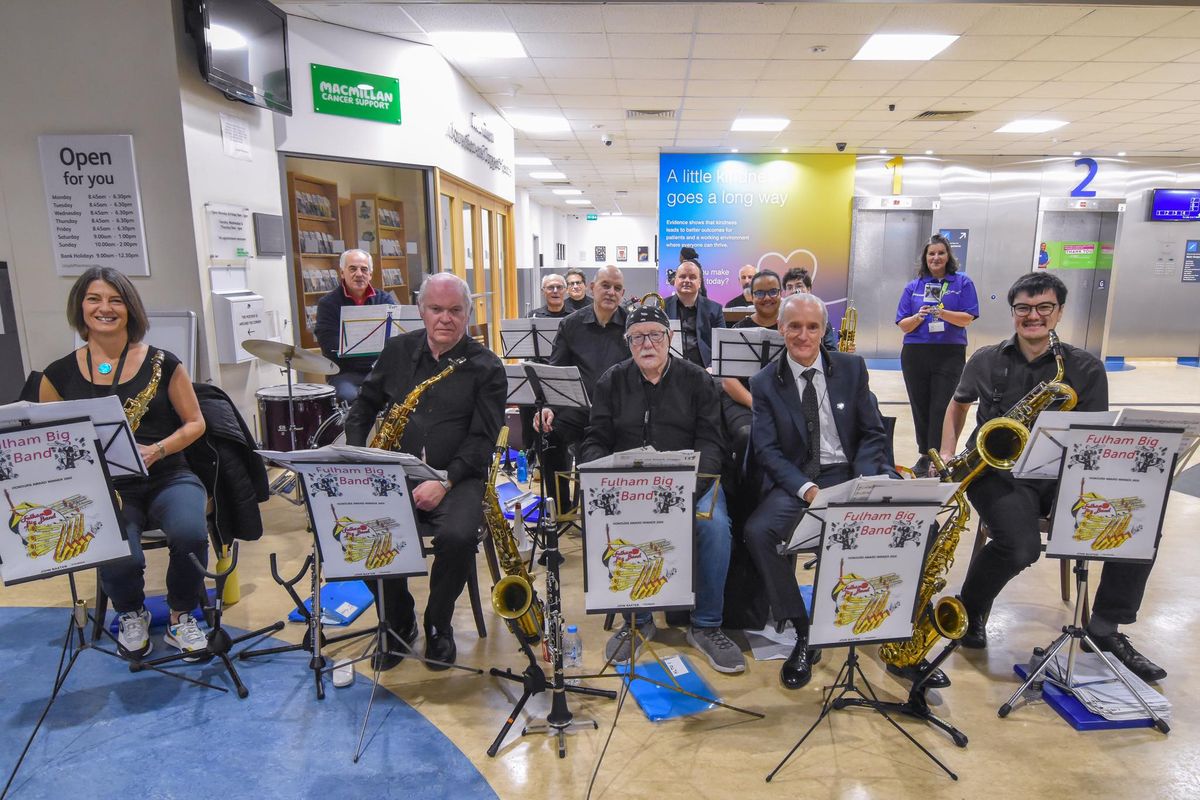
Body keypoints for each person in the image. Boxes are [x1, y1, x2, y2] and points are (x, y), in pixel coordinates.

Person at [940, 272, 1166, 682]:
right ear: (1013, 312)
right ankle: (971, 609)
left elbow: (1096, 435)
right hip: (998, 474)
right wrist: (947, 451)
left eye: (1044, 307)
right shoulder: (986, 359)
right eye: (1024, 308)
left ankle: (1105, 627)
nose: (1033, 316)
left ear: (1059, 311)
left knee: (1138, 521)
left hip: (1065, 476)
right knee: (1020, 544)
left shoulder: (1085, 368)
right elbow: (958, 405)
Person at [41, 267, 209, 660]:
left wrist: (159, 449)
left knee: (189, 532)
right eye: (94, 299)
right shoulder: (58, 374)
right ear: (80, 308)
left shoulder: (163, 363)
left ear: (130, 308)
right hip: (105, 486)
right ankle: (131, 613)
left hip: (168, 473)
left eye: (115, 300)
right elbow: (52, 440)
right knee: (117, 549)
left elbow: (196, 422)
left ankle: (182, 615)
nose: (105, 308)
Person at [344, 272, 506, 669]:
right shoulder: (397, 351)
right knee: (354, 531)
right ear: (421, 311)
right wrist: (356, 459)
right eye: (436, 309)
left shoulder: (487, 366)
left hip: (459, 474)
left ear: (468, 312)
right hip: (395, 470)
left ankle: (438, 623)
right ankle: (398, 618)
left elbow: (483, 440)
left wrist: (445, 481)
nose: (445, 318)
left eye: (455, 310)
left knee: (457, 535)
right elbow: (363, 405)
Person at [743, 293, 896, 689]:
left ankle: (895, 627)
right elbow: (767, 451)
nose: (803, 335)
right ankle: (802, 628)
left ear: (824, 330)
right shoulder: (764, 382)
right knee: (759, 532)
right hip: (800, 480)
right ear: (781, 329)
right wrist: (807, 489)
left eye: (813, 326)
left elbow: (872, 433)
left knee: (909, 523)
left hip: (850, 473)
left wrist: (863, 483)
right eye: (794, 326)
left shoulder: (851, 367)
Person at [582, 304, 743, 673]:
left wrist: (687, 490)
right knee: (613, 529)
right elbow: (595, 438)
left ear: (670, 339)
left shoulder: (697, 380)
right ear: (628, 343)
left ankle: (706, 626)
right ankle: (636, 623)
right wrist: (601, 475)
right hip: (630, 492)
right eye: (638, 337)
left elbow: (712, 442)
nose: (647, 343)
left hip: (690, 486)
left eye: (656, 335)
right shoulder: (611, 381)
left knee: (714, 527)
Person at [537, 266, 629, 510]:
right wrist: (549, 407)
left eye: (617, 288)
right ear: (593, 288)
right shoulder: (570, 324)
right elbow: (556, 371)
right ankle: (560, 508)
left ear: (623, 293)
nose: (611, 292)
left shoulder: (631, 325)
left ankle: (613, 511)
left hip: (618, 413)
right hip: (578, 409)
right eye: (605, 285)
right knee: (547, 434)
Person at [896, 234, 980, 476]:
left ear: (948, 256)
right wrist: (920, 315)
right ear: (925, 258)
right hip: (915, 352)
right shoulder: (914, 286)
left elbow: (967, 318)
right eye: (931, 253)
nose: (936, 257)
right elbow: (903, 324)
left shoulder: (962, 283)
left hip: (949, 352)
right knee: (920, 405)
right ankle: (924, 455)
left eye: (940, 253)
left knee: (942, 405)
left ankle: (939, 456)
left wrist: (942, 313)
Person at [314, 249, 399, 404]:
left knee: (405, 395)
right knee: (351, 398)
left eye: (364, 269)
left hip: (379, 370)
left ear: (370, 274)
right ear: (342, 273)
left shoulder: (385, 299)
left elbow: (397, 339)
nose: (359, 274)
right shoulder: (328, 304)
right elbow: (329, 345)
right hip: (345, 373)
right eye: (353, 269)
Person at [720, 270, 782, 460]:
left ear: (781, 293)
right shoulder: (739, 329)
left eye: (773, 291)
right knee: (747, 434)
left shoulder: (792, 328)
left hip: (782, 401)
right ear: (751, 296)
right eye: (760, 293)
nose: (767, 298)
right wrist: (754, 403)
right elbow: (728, 380)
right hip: (743, 400)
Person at [664, 260, 725, 368]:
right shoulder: (662, 307)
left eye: (692, 277)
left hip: (704, 370)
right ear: (675, 280)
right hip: (670, 369)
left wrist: (712, 367)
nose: (687, 280)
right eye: (682, 276)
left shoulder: (715, 309)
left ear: (699, 283)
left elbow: (722, 346)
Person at [782, 267, 837, 351]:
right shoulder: (779, 319)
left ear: (808, 289)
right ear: (785, 293)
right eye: (789, 287)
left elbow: (831, 353)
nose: (794, 291)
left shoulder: (822, 321)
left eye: (798, 286)